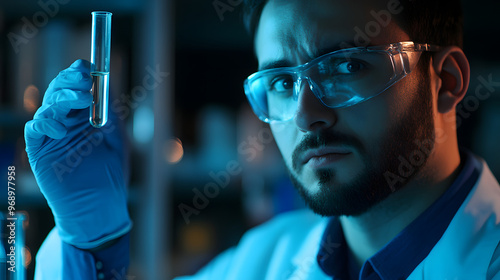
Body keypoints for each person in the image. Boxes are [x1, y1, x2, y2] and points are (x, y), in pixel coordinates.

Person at [25, 0, 500, 279]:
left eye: (348, 65)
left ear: (448, 80)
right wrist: (91, 239)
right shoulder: (262, 259)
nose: (307, 114)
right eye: (282, 82)